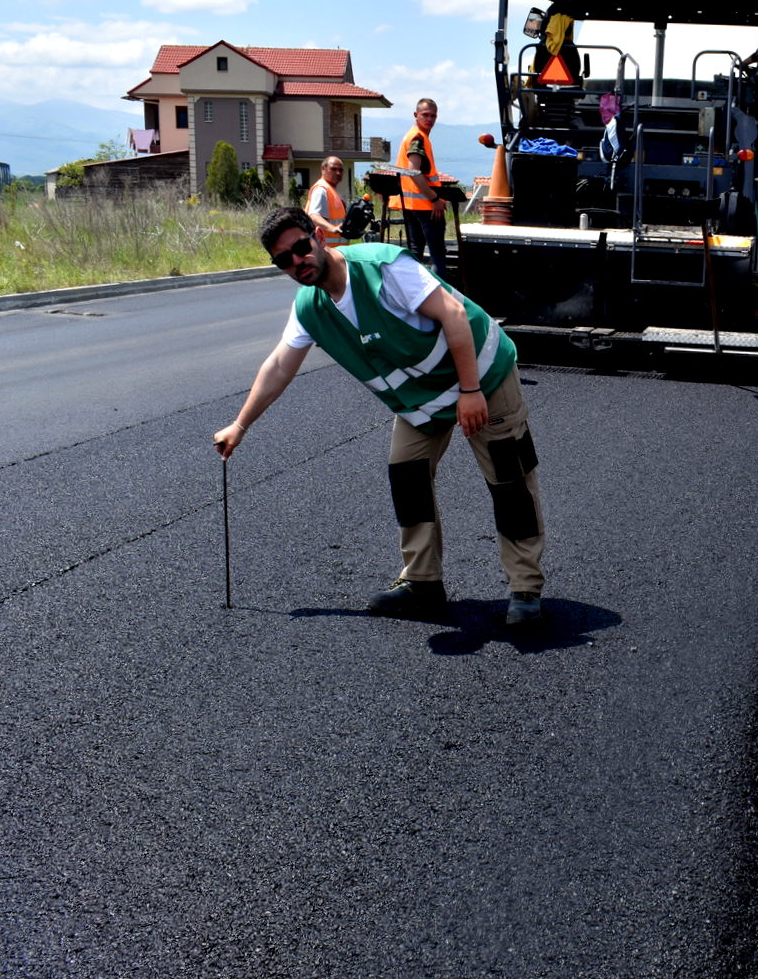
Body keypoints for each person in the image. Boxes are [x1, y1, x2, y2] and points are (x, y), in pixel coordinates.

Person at [213, 207, 546, 626]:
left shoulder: (383, 268)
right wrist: (240, 425)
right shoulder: (311, 306)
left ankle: (525, 589)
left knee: (509, 478)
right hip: (421, 401)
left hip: (481, 376)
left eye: (300, 248)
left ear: (317, 236)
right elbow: (280, 364)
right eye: (284, 260)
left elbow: (454, 315)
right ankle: (423, 583)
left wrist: (470, 391)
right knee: (406, 473)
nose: (297, 262)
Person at [396, 98, 449, 277]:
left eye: (433, 116)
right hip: (426, 206)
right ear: (415, 115)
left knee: (415, 253)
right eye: (425, 115)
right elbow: (414, 171)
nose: (430, 119)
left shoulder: (414, 135)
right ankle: (441, 299)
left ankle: (413, 296)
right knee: (438, 256)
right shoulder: (417, 138)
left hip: (412, 205)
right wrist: (434, 198)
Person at [306, 156, 350, 250]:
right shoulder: (321, 190)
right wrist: (333, 228)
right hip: (325, 252)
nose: (338, 173)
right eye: (333, 169)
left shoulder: (331, 191)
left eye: (340, 170)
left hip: (334, 252)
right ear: (323, 169)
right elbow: (314, 216)